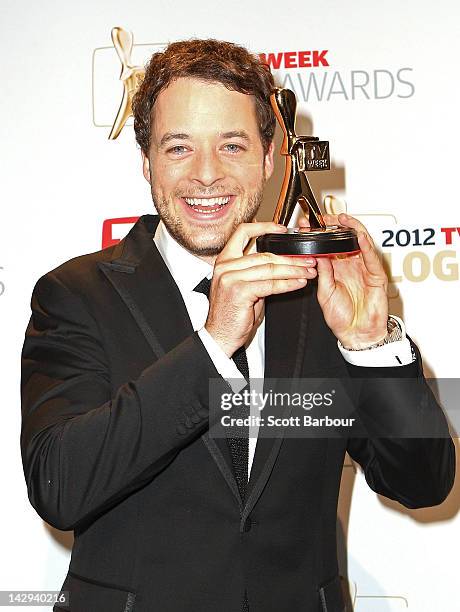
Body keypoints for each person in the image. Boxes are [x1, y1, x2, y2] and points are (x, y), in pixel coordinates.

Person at [21, 39, 455, 612]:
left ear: (269, 159)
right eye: (179, 147)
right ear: (146, 160)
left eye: (232, 145)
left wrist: (371, 343)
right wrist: (214, 343)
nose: (207, 175)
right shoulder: (77, 295)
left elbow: (423, 483)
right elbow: (60, 486)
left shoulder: (318, 295)